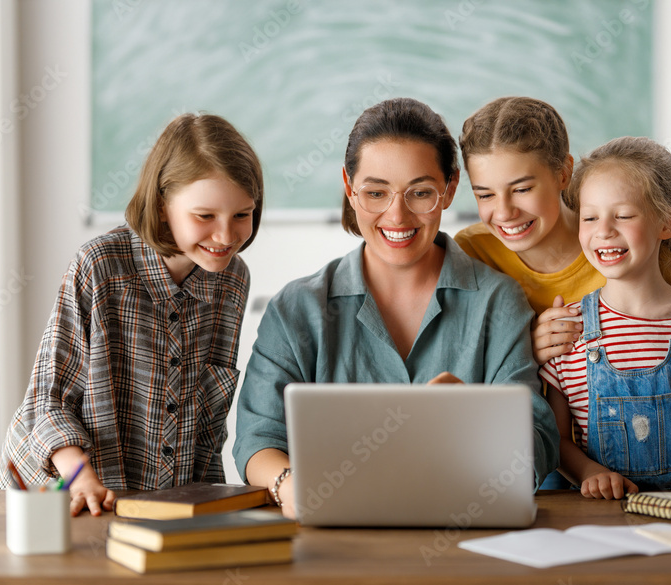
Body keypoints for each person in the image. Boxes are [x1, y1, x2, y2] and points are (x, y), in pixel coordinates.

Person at [232, 97, 559, 519]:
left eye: (420, 192)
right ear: (350, 189)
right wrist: (287, 483)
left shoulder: (498, 301)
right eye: (375, 192)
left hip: (468, 535)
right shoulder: (298, 309)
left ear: (450, 188)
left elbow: (539, 444)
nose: (397, 215)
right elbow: (257, 440)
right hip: (332, 539)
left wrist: (478, 424)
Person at [0, 113, 264, 516]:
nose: (226, 236)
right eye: (205, 216)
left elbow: (208, 425)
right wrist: (81, 478)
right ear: (160, 207)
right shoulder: (99, 266)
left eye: (242, 214)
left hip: (150, 507)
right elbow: (48, 403)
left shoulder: (231, 281)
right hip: (59, 493)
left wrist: (212, 503)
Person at [455, 97, 671, 374]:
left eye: (521, 189)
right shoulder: (470, 253)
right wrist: (521, 351)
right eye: (485, 195)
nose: (505, 212)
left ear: (563, 173)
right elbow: (460, 369)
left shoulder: (627, 250)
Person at [540, 136, 671, 499]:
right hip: (604, 518)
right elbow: (558, 441)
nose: (603, 230)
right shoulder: (569, 330)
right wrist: (591, 472)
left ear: (667, 223)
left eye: (622, 215)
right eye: (590, 217)